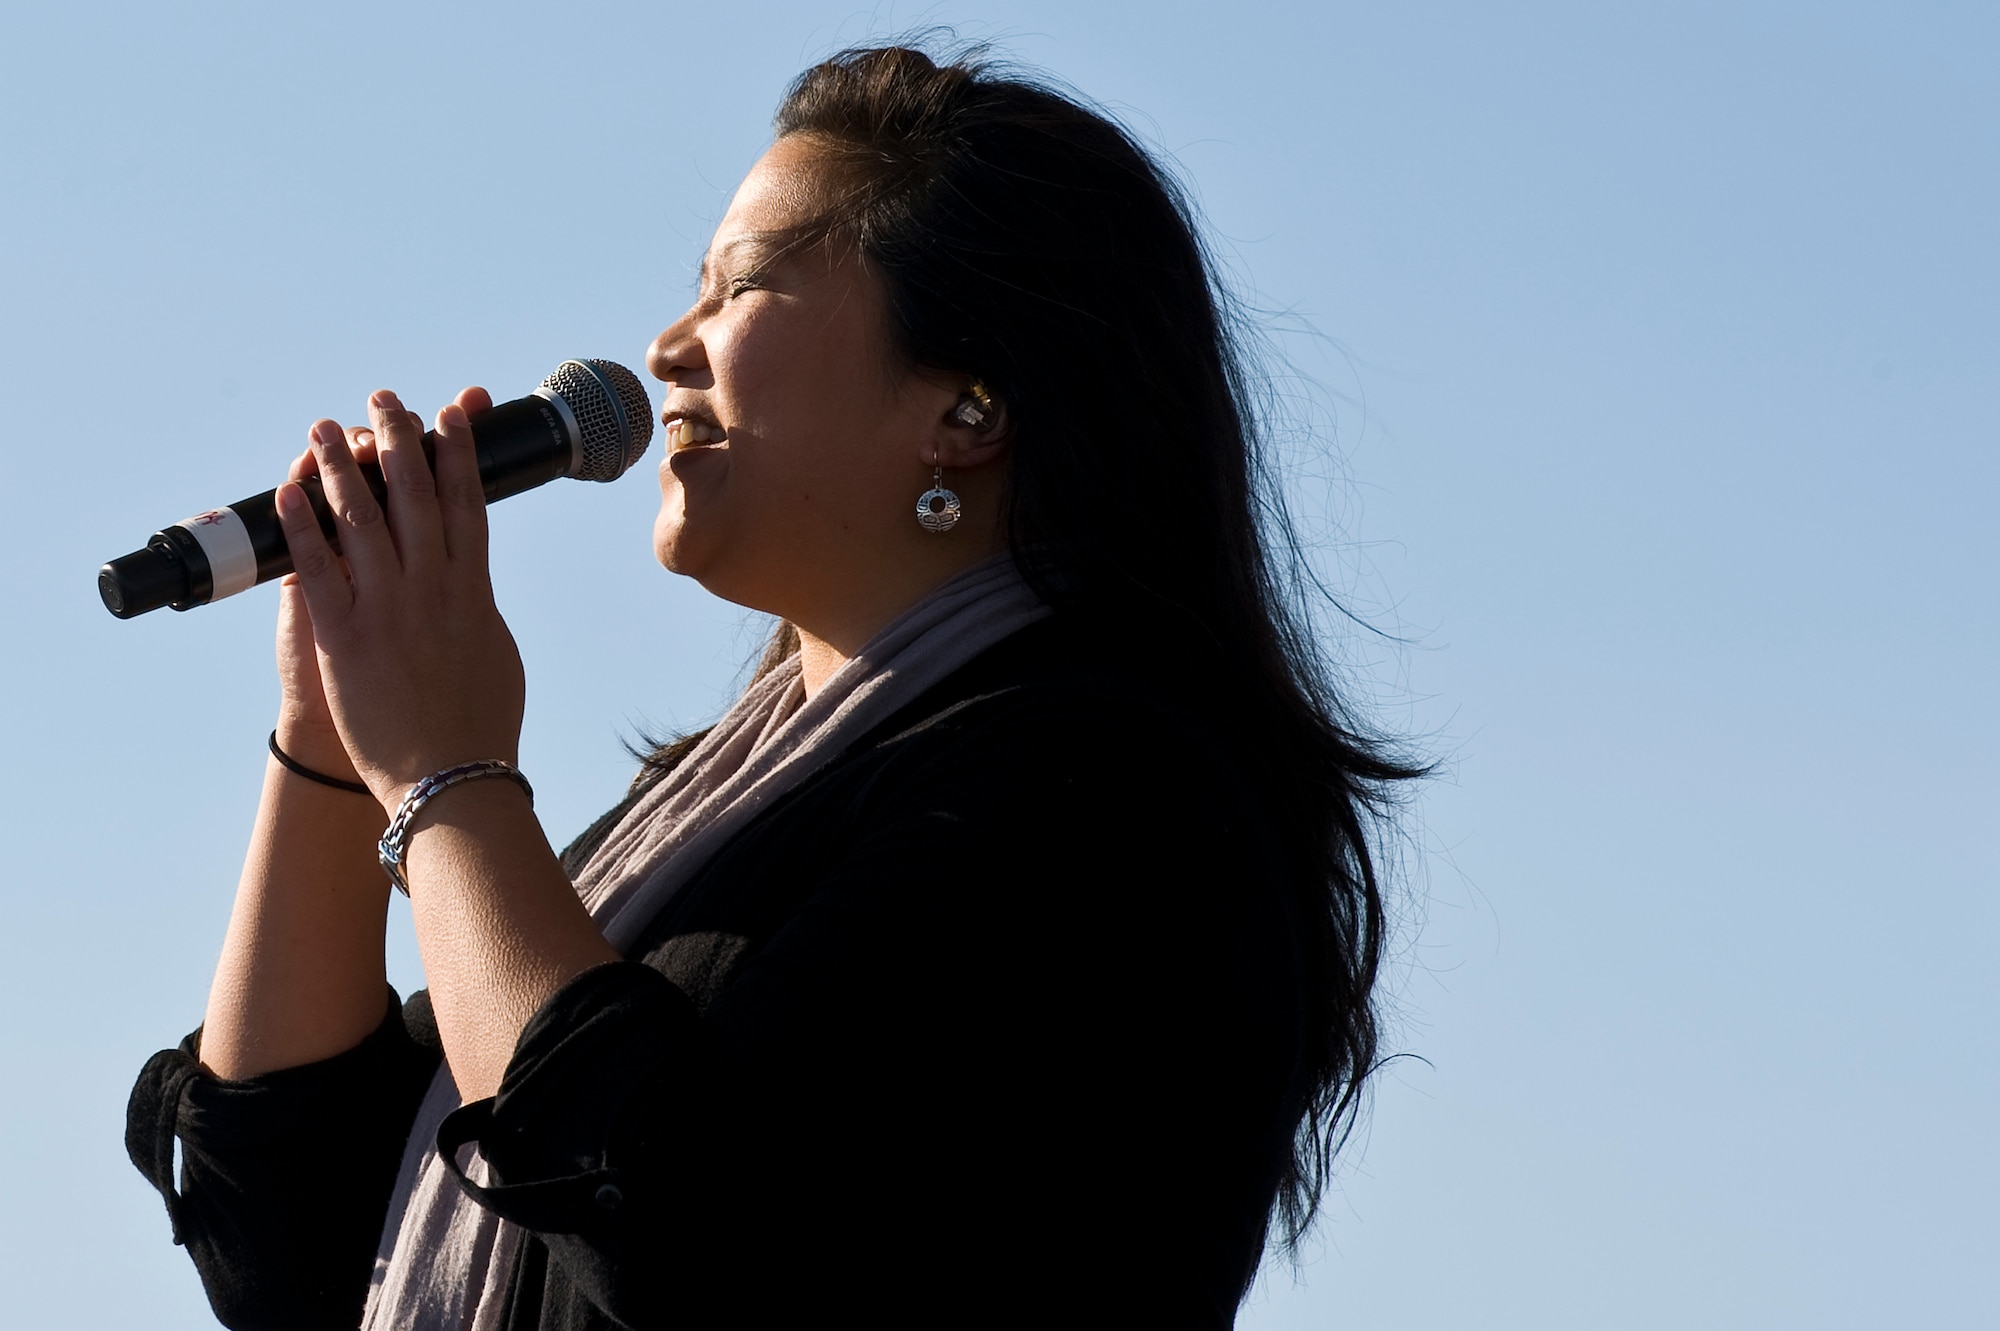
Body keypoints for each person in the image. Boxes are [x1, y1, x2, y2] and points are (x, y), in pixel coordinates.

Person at [127, 43, 1418, 1331]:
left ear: (967, 411)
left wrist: (447, 781)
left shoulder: (1109, 800)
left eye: (739, 289)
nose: (666, 349)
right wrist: (333, 746)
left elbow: (703, 1231)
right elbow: (287, 1245)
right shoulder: (691, 833)